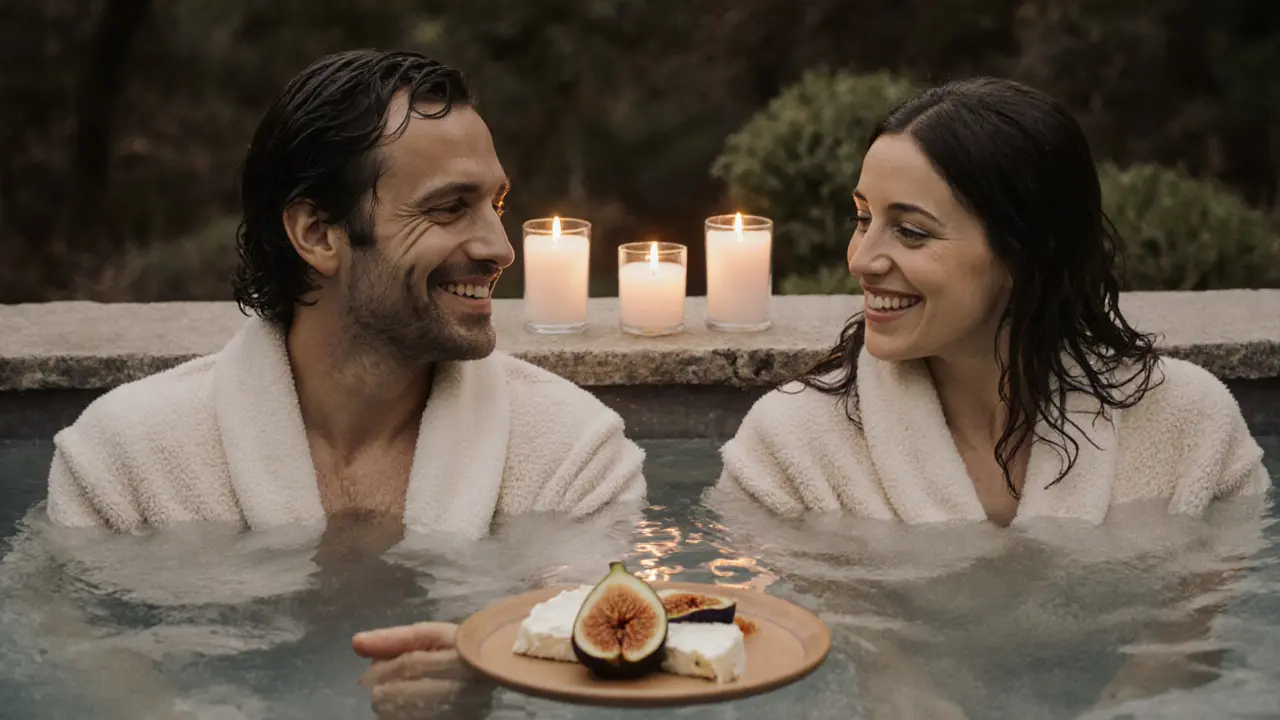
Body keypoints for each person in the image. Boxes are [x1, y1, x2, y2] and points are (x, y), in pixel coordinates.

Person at [42, 49, 646, 712]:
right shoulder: (126, 460)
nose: (500, 247)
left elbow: (597, 669)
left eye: (496, 204)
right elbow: (62, 653)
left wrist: (502, 687)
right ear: (317, 234)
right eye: (449, 208)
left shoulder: (570, 454)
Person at [717, 76, 1269, 526]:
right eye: (863, 219)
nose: (862, 259)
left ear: (1024, 251)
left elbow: (1189, 651)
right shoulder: (794, 447)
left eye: (910, 231)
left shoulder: (1188, 428)